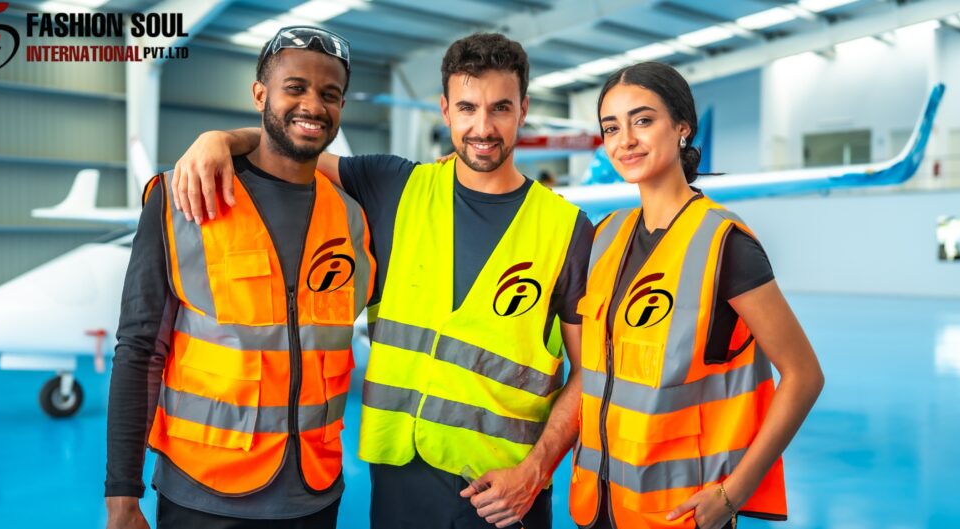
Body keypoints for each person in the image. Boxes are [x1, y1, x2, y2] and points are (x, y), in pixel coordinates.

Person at [171, 33, 594, 529]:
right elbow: (289, 146)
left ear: (523, 110)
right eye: (467, 107)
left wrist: (535, 470)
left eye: (500, 108)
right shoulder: (394, 186)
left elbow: (592, 372)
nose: (483, 127)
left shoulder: (567, 229)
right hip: (397, 484)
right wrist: (218, 140)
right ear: (444, 110)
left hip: (502, 496)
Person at [105, 26, 374, 529]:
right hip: (203, 495)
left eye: (329, 94)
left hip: (315, 492)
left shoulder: (355, 218)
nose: (312, 105)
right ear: (259, 95)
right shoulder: (182, 199)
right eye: (295, 87)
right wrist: (122, 495)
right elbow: (140, 348)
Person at [569, 62, 824, 529]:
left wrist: (734, 493)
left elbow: (804, 375)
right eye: (611, 127)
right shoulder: (605, 237)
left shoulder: (724, 243)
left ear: (682, 127)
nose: (624, 140)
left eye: (642, 121)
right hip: (599, 505)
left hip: (679, 512)